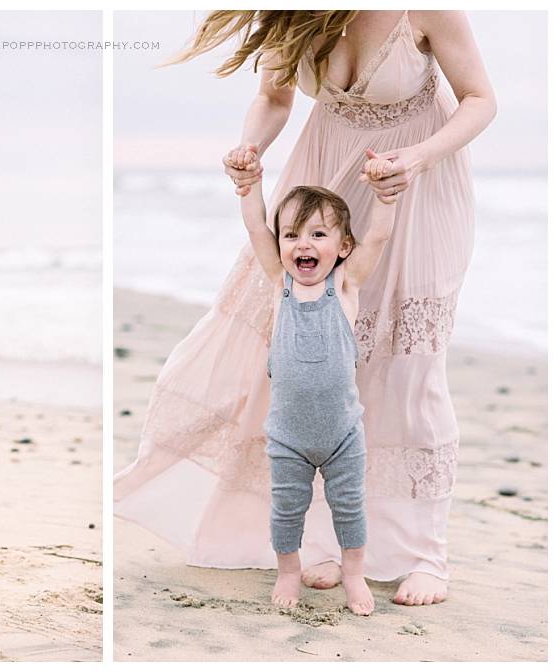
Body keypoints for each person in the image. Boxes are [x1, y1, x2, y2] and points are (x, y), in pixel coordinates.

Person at [114, 10, 496, 607]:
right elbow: (273, 95)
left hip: (414, 184)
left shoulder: (426, 10)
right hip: (321, 179)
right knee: (307, 359)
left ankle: (425, 555)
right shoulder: (296, 14)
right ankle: (324, 544)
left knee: (407, 368)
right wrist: (249, 148)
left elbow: (479, 99)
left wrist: (416, 158)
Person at [239, 148, 396, 614]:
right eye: (292, 235)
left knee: (349, 507)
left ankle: (354, 573)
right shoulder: (279, 284)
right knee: (287, 510)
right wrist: (248, 185)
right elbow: (253, 227)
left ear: (343, 246)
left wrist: (384, 191)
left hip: (344, 433)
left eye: (318, 234)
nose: (302, 244)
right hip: (287, 436)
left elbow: (380, 236)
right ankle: (289, 571)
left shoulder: (344, 286)